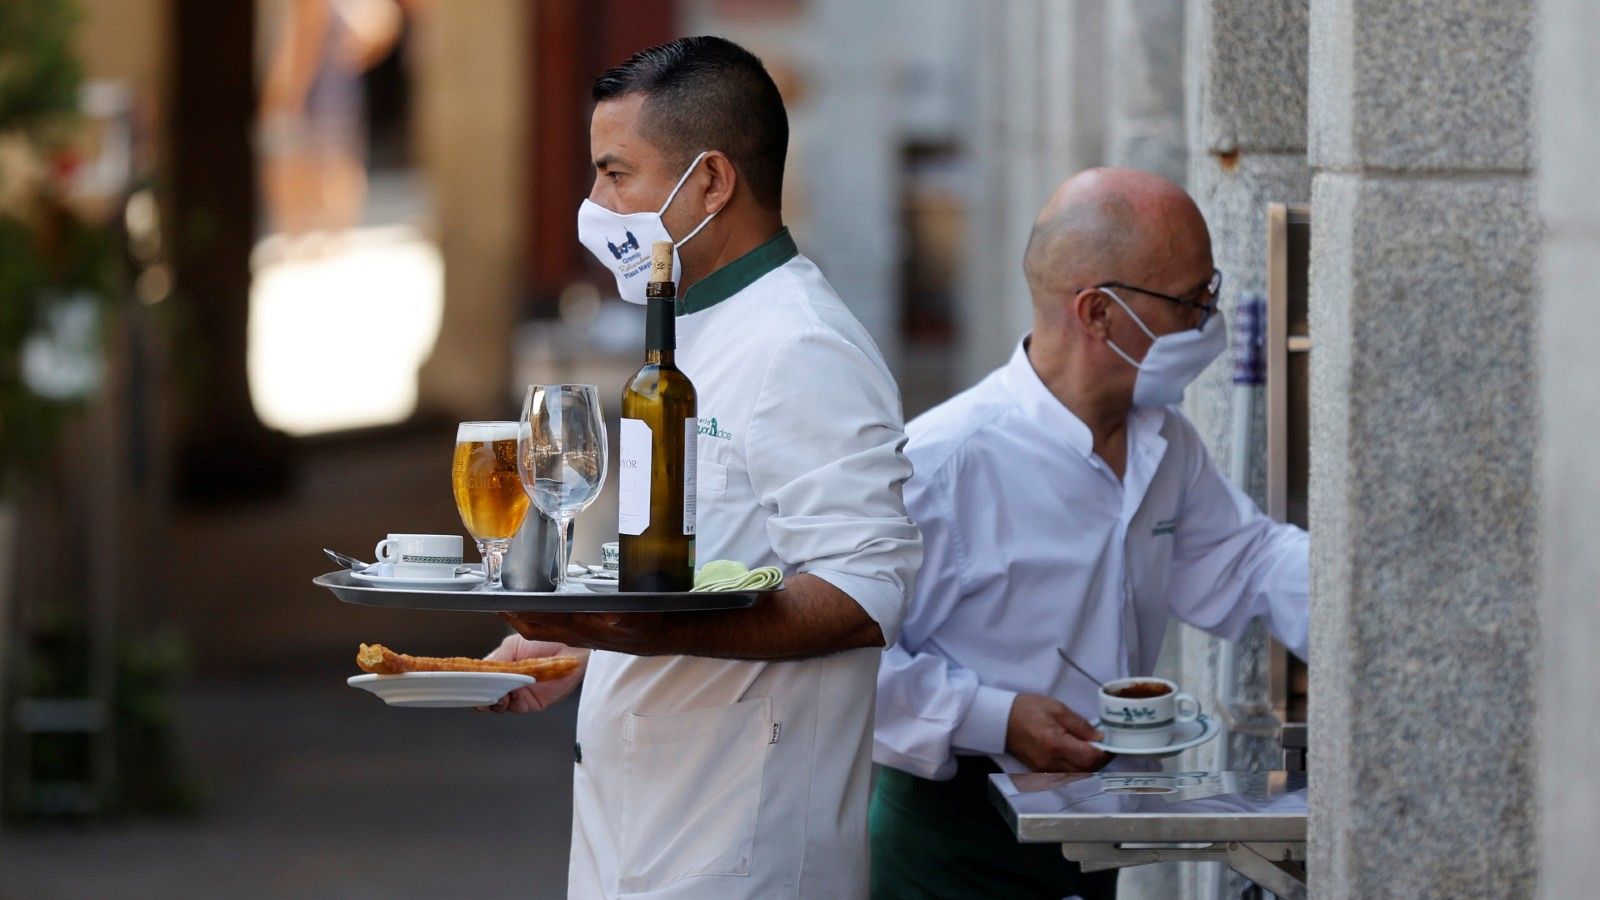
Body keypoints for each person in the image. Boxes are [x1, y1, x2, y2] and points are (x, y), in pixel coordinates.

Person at [482, 37, 923, 899]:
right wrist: (578, 645)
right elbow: (703, 565)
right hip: (642, 843)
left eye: (616, 176)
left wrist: (648, 632)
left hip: (744, 860)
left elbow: (870, 590)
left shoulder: (802, 344)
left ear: (712, 183)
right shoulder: (692, 328)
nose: (596, 206)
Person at [869, 168, 1310, 899]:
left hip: (1084, 831)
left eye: (1212, 293)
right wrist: (997, 718)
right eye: (1190, 301)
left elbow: (1250, 560)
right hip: (952, 841)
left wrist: (1377, 607)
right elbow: (848, 662)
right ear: (1098, 313)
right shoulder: (943, 462)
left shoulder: (1164, 442)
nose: (1209, 321)